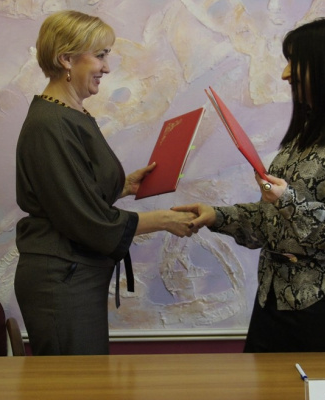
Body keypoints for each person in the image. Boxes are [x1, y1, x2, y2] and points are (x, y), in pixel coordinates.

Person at [174, 18, 325, 352]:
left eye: (295, 62)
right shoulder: (305, 136)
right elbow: (275, 223)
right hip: (273, 300)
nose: (286, 74)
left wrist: (287, 199)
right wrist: (216, 217)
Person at [14, 10, 196, 356]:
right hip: (62, 277)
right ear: (66, 59)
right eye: (100, 55)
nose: (107, 68)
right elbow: (84, 217)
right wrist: (164, 220)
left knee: (85, 377)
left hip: (73, 273)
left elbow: (71, 191)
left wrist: (124, 186)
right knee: (73, 381)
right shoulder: (51, 124)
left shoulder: (69, 115)